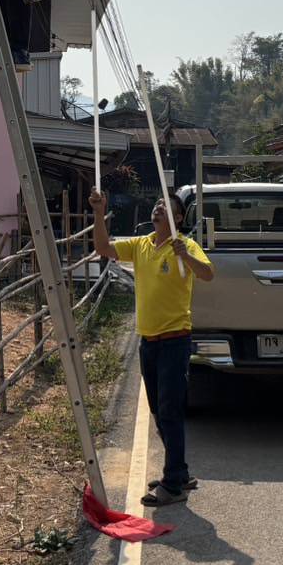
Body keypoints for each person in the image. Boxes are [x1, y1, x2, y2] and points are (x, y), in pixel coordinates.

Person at [89, 188, 214, 507]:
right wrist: (98, 211)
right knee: (160, 411)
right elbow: (102, 247)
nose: (158, 208)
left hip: (175, 339)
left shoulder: (186, 245)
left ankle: (173, 484)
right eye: (157, 204)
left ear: (179, 217)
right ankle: (180, 472)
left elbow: (208, 274)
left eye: (166, 206)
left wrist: (183, 254)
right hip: (149, 341)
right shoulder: (142, 245)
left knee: (169, 410)